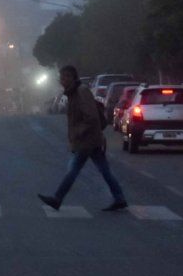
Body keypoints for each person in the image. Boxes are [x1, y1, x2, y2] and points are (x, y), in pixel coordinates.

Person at [38, 65, 128, 212]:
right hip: (90, 140)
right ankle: (119, 198)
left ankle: (57, 198)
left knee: (73, 170)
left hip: (87, 141)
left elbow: (91, 117)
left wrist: (79, 133)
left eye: (65, 77)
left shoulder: (81, 92)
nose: (62, 80)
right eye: (61, 78)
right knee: (104, 170)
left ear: (73, 78)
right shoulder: (73, 93)